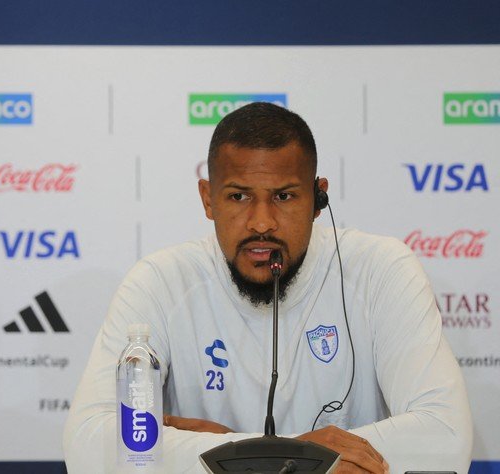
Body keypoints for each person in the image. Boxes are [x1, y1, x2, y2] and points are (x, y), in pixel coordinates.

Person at [63, 102, 472, 473]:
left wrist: (226, 453)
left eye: (284, 196)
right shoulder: (160, 281)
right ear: (208, 199)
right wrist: (296, 456)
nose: (262, 222)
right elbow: (88, 446)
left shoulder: (380, 270)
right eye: (238, 196)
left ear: (317, 198)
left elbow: (446, 437)